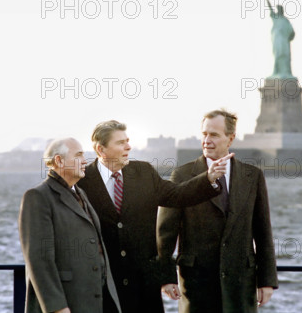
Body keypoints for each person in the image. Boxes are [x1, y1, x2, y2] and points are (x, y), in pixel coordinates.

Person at [77, 120, 230, 313]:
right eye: (120, 143)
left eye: (128, 140)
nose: (128, 146)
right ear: (101, 149)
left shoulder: (143, 172)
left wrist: (208, 178)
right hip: (103, 288)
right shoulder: (82, 181)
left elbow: (178, 194)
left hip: (143, 289)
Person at [157, 110, 278, 312]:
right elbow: (165, 233)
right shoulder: (182, 175)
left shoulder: (253, 176)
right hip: (196, 286)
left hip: (240, 285)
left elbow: (263, 231)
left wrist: (266, 280)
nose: (206, 140)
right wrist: (166, 277)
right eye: (204, 134)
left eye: (214, 135)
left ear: (230, 138)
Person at [18, 138, 121, 313]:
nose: (85, 161)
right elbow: (39, 259)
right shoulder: (38, 197)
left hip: (97, 301)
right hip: (67, 304)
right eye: (78, 155)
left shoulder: (81, 194)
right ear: (59, 161)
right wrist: (57, 307)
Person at [264, 0, 296, 79]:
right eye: (277, 9)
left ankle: (286, 71)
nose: (278, 10)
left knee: (285, 56)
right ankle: (276, 70)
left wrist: (289, 35)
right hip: (277, 38)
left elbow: (292, 33)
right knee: (278, 55)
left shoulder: (285, 20)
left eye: (280, 9)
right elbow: (269, 5)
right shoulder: (275, 17)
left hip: (284, 40)